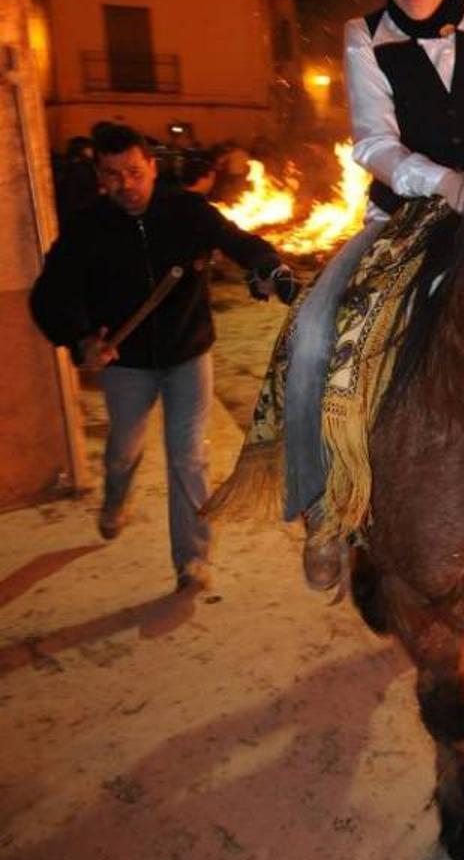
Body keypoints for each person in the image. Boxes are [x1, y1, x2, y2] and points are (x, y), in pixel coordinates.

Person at [285, 0, 464, 590]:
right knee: (316, 335)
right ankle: (325, 507)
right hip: (404, 218)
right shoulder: (365, 37)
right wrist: (444, 181)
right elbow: (373, 144)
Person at [29, 121, 296, 592]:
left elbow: (238, 241)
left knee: (188, 457)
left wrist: (268, 265)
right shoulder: (87, 228)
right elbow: (51, 293)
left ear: (152, 167)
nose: (126, 186)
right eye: (113, 175)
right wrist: (81, 338)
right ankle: (116, 499)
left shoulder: (187, 211)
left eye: (134, 172)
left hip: (187, 355)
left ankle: (191, 559)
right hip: (125, 365)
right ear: (100, 178)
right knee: (121, 453)